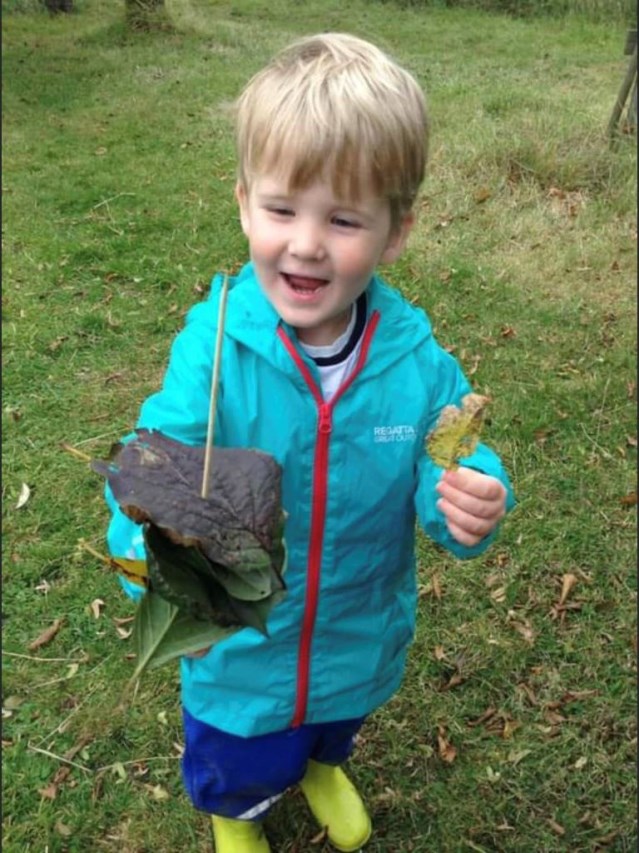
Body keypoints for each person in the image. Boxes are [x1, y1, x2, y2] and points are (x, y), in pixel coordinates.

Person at [105, 32, 515, 853]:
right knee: (236, 756)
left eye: (344, 219)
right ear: (244, 202)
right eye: (282, 208)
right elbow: (155, 457)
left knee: (334, 721)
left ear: (396, 231)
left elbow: (450, 454)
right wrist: (145, 548)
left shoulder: (414, 362)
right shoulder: (217, 345)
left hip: (356, 627)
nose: (305, 243)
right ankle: (236, 815)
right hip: (242, 648)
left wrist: (470, 495)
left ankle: (325, 765)